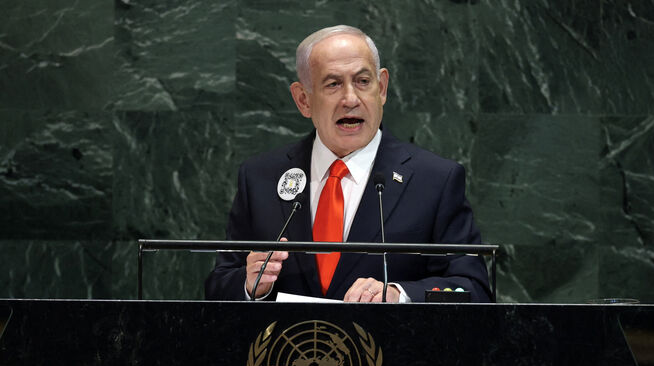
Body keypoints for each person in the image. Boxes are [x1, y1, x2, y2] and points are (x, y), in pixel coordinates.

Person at [204, 25, 491, 303]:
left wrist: (400, 295)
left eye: (363, 82)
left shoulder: (434, 181)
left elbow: (472, 290)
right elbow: (218, 286)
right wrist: (250, 285)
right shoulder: (261, 178)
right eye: (333, 84)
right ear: (303, 100)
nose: (350, 99)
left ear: (382, 88)